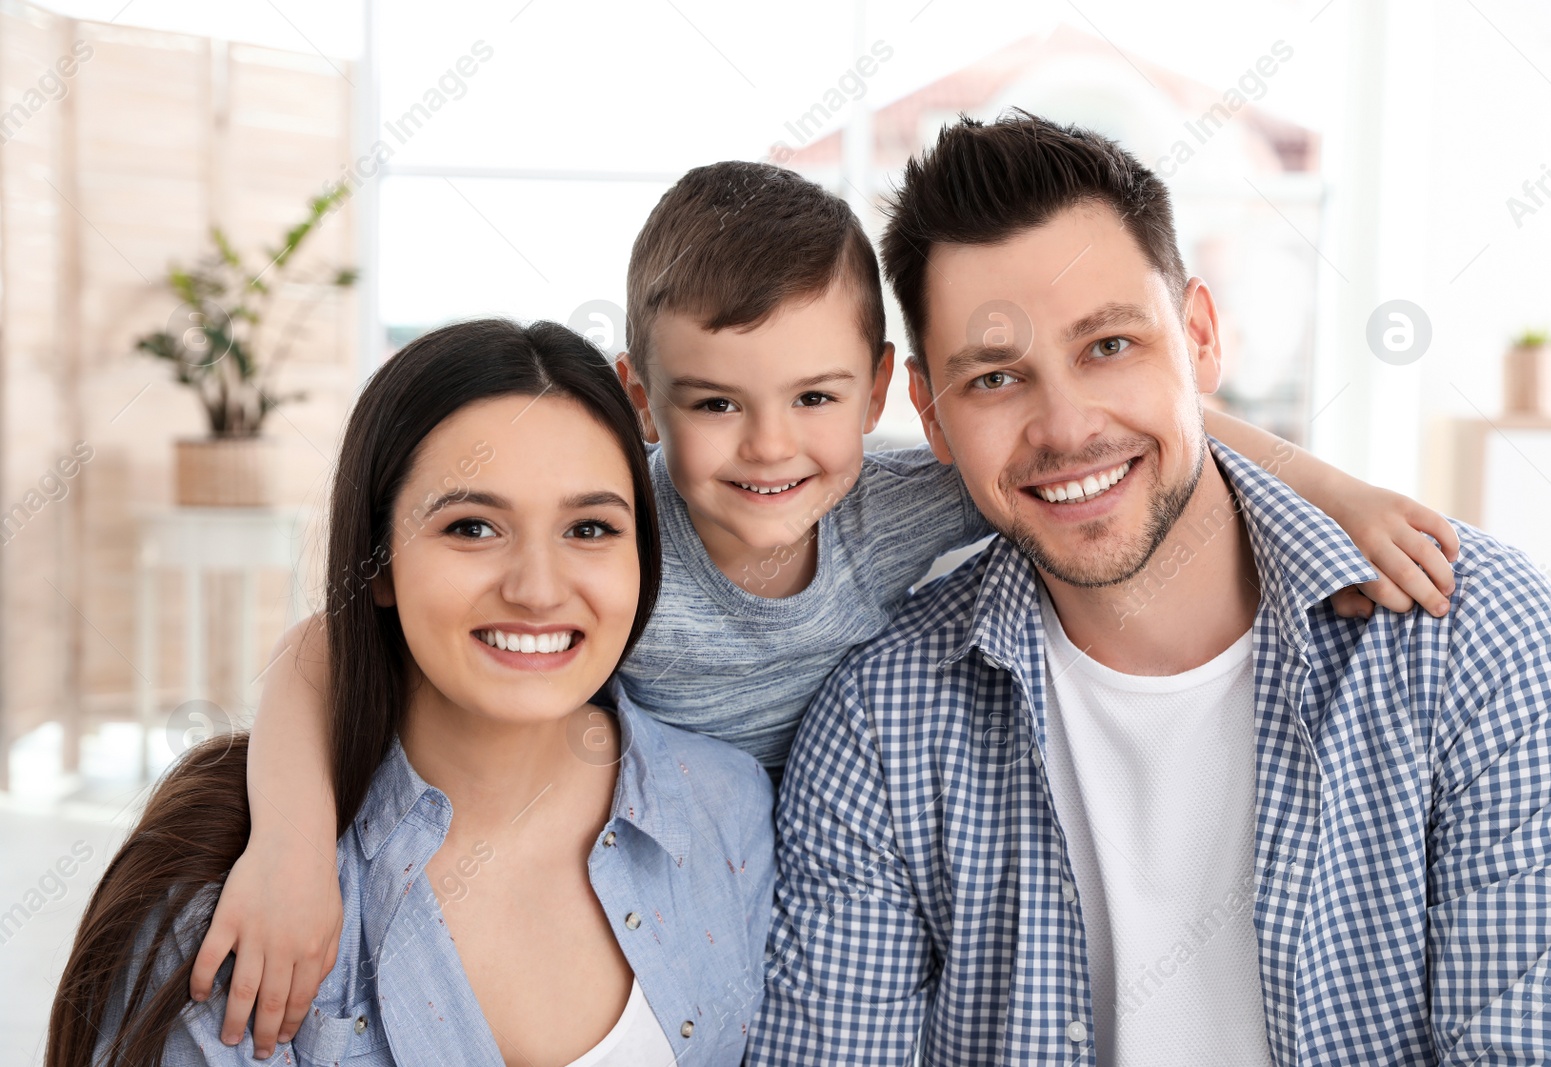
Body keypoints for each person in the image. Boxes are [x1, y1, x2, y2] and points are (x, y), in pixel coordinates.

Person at [199, 162, 1461, 1056]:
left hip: (793, 876)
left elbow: (1121, 424)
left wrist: (1330, 486)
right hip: (635, 847)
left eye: (813, 398)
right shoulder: (607, 527)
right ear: (641, 398)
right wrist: (292, 842)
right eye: (713, 403)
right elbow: (329, 638)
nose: (769, 451)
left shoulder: (899, 503)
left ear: (877, 395)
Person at [748, 112, 1551, 1066]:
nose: (1066, 429)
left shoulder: (1474, 638)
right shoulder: (878, 727)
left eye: (1109, 345)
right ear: (930, 416)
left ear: (1198, 338)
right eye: (994, 379)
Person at [48, 320, 774, 1066]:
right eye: (472, 526)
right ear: (380, 563)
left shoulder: (727, 808)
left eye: (589, 528)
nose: (537, 588)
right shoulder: (225, 903)